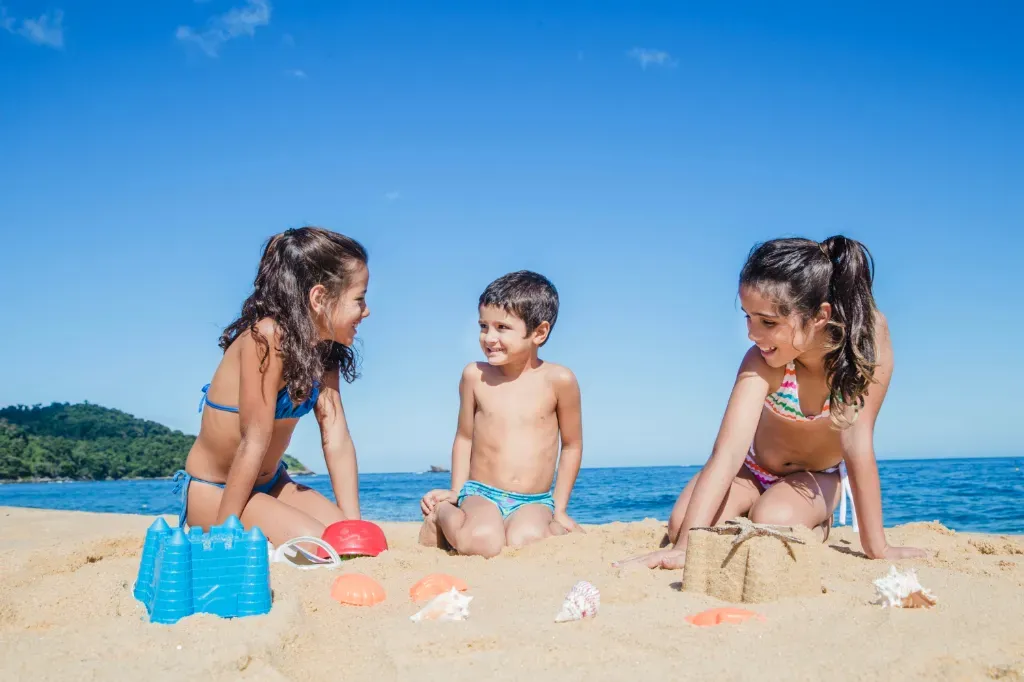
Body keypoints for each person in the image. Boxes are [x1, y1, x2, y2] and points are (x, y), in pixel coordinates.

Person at [617, 236, 927, 569]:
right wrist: (683, 547)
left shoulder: (864, 342)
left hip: (814, 476)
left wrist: (876, 546)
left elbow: (857, 442)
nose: (752, 334)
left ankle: (816, 519)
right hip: (750, 470)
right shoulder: (761, 359)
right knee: (684, 527)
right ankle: (758, 507)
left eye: (767, 322)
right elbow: (729, 452)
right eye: (747, 317)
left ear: (819, 316)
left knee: (770, 521)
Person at [173, 226, 370, 546]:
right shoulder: (266, 338)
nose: (366, 310)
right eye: (359, 299)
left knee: (348, 543)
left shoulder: (326, 350)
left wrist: (354, 527)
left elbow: (336, 439)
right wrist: (226, 535)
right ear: (320, 298)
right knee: (320, 546)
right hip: (218, 493)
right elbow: (254, 440)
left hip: (274, 483)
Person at [418, 271, 584, 558]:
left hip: (534, 500)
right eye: (483, 326)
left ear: (539, 333)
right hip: (481, 494)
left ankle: (548, 524)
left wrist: (559, 508)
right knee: (483, 543)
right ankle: (442, 514)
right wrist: (456, 491)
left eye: (502, 327)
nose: (489, 337)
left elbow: (571, 445)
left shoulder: (560, 380)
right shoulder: (475, 376)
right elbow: (464, 437)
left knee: (528, 540)